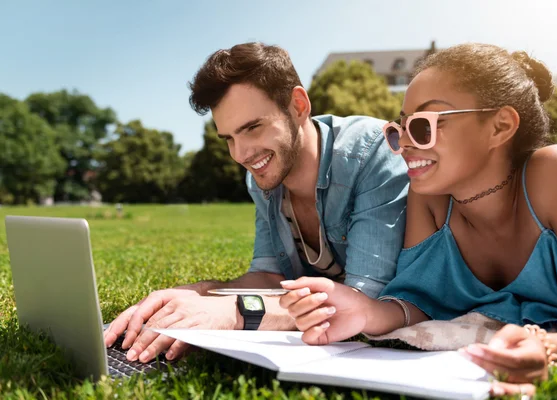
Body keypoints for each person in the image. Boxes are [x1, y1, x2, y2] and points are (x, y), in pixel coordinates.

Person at [279, 43, 557, 397]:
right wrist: (365, 311)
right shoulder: (429, 199)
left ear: (500, 126)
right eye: (399, 129)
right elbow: (419, 303)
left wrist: (551, 347)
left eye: (424, 125)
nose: (404, 145)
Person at [103, 42, 410, 364]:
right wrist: (197, 293)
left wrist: (235, 313)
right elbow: (268, 276)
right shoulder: (263, 179)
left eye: (252, 128)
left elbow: (363, 299)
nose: (241, 154)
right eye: (229, 138)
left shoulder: (373, 151)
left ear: (298, 105)